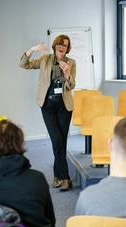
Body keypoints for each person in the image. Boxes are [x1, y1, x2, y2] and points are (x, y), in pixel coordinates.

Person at [19, 35, 76, 191]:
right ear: (55, 45)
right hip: (47, 106)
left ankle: (58, 175)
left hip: (64, 107)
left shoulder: (71, 63)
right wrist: (32, 50)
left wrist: (67, 73)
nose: (62, 46)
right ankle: (66, 178)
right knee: (56, 140)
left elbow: (71, 86)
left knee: (61, 142)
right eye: (59, 43)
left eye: (65, 45)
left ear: (67, 48)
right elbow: (24, 65)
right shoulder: (44, 59)